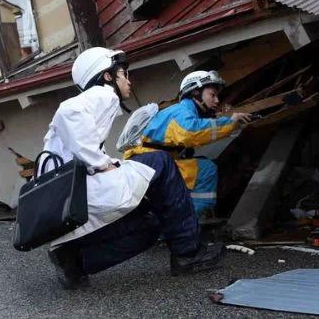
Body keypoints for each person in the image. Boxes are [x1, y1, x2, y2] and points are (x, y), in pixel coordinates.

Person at [41, 47, 226, 289]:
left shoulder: (99, 102)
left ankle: (73, 261)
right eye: (124, 74)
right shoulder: (102, 94)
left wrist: (105, 163)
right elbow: (68, 112)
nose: (129, 80)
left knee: (150, 226)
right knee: (161, 162)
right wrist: (101, 164)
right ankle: (187, 253)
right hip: (81, 191)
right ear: (108, 76)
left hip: (69, 197)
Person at [123, 71, 250, 216]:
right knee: (205, 170)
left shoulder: (182, 111)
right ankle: (185, 221)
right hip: (147, 163)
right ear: (196, 91)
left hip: (146, 162)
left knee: (198, 167)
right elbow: (191, 132)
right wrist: (230, 123)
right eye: (212, 95)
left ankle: (179, 221)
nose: (216, 100)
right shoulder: (182, 111)